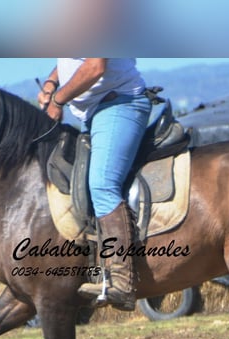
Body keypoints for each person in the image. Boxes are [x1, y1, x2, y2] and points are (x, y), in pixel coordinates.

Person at [37, 58, 152, 311]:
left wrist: (58, 100)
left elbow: (94, 66)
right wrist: (51, 82)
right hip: (94, 113)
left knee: (102, 185)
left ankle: (122, 280)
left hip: (120, 104)